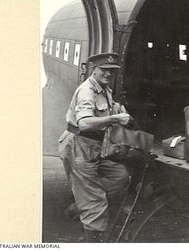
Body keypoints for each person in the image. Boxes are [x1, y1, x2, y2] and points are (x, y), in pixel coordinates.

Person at [58, 52, 132, 242]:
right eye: (104, 70)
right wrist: (115, 119)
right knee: (94, 199)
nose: (108, 74)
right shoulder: (87, 91)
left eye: (112, 71)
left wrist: (117, 108)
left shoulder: (103, 87)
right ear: (94, 70)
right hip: (79, 145)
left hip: (95, 145)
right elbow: (84, 123)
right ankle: (95, 240)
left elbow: (103, 107)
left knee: (120, 177)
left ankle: (80, 206)